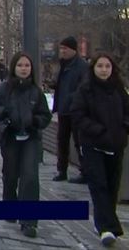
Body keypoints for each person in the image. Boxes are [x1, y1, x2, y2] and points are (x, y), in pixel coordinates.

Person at [0, 52, 52, 239]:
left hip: (31, 138)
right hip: (10, 137)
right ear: (14, 67)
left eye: (27, 66)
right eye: (20, 65)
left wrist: (36, 122)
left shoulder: (36, 92)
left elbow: (45, 115)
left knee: (30, 176)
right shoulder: (2, 90)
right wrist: (5, 113)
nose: (24, 69)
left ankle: (29, 220)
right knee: (11, 174)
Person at [70, 52, 129, 247]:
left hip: (115, 145)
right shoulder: (85, 90)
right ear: (93, 68)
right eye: (100, 66)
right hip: (93, 144)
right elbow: (78, 115)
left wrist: (122, 129)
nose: (104, 70)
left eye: (107, 66)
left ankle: (103, 222)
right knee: (99, 185)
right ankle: (107, 228)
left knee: (112, 187)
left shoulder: (119, 89)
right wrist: (98, 130)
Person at [48, 36, 88, 183]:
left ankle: (85, 172)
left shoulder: (82, 66)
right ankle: (62, 170)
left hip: (76, 111)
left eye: (65, 48)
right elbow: (61, 84)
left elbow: (83, 88)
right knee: (62, 141)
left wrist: (71, 98)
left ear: (73, 49)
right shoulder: (63, 64)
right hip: (64, 110)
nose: (62, 51)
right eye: (61, 48)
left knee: (79, 142)